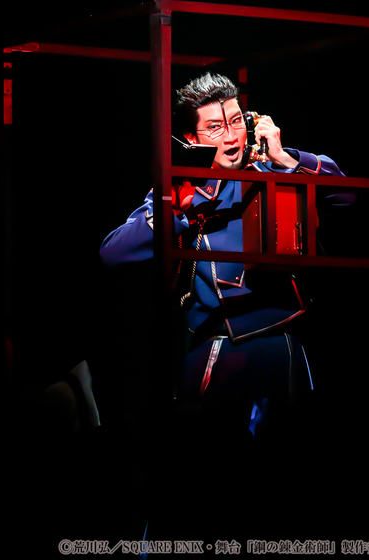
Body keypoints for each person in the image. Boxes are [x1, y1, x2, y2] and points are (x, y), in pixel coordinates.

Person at [100, 72, 352, 439]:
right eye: (215, 128)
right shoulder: (184, 186)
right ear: (192, 139)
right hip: (218, 344)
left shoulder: (272, 169)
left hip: (284, 339)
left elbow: (347, 196)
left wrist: (284, 157)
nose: (232, 137)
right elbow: (113, 251)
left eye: (236, 122)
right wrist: (180, 212)